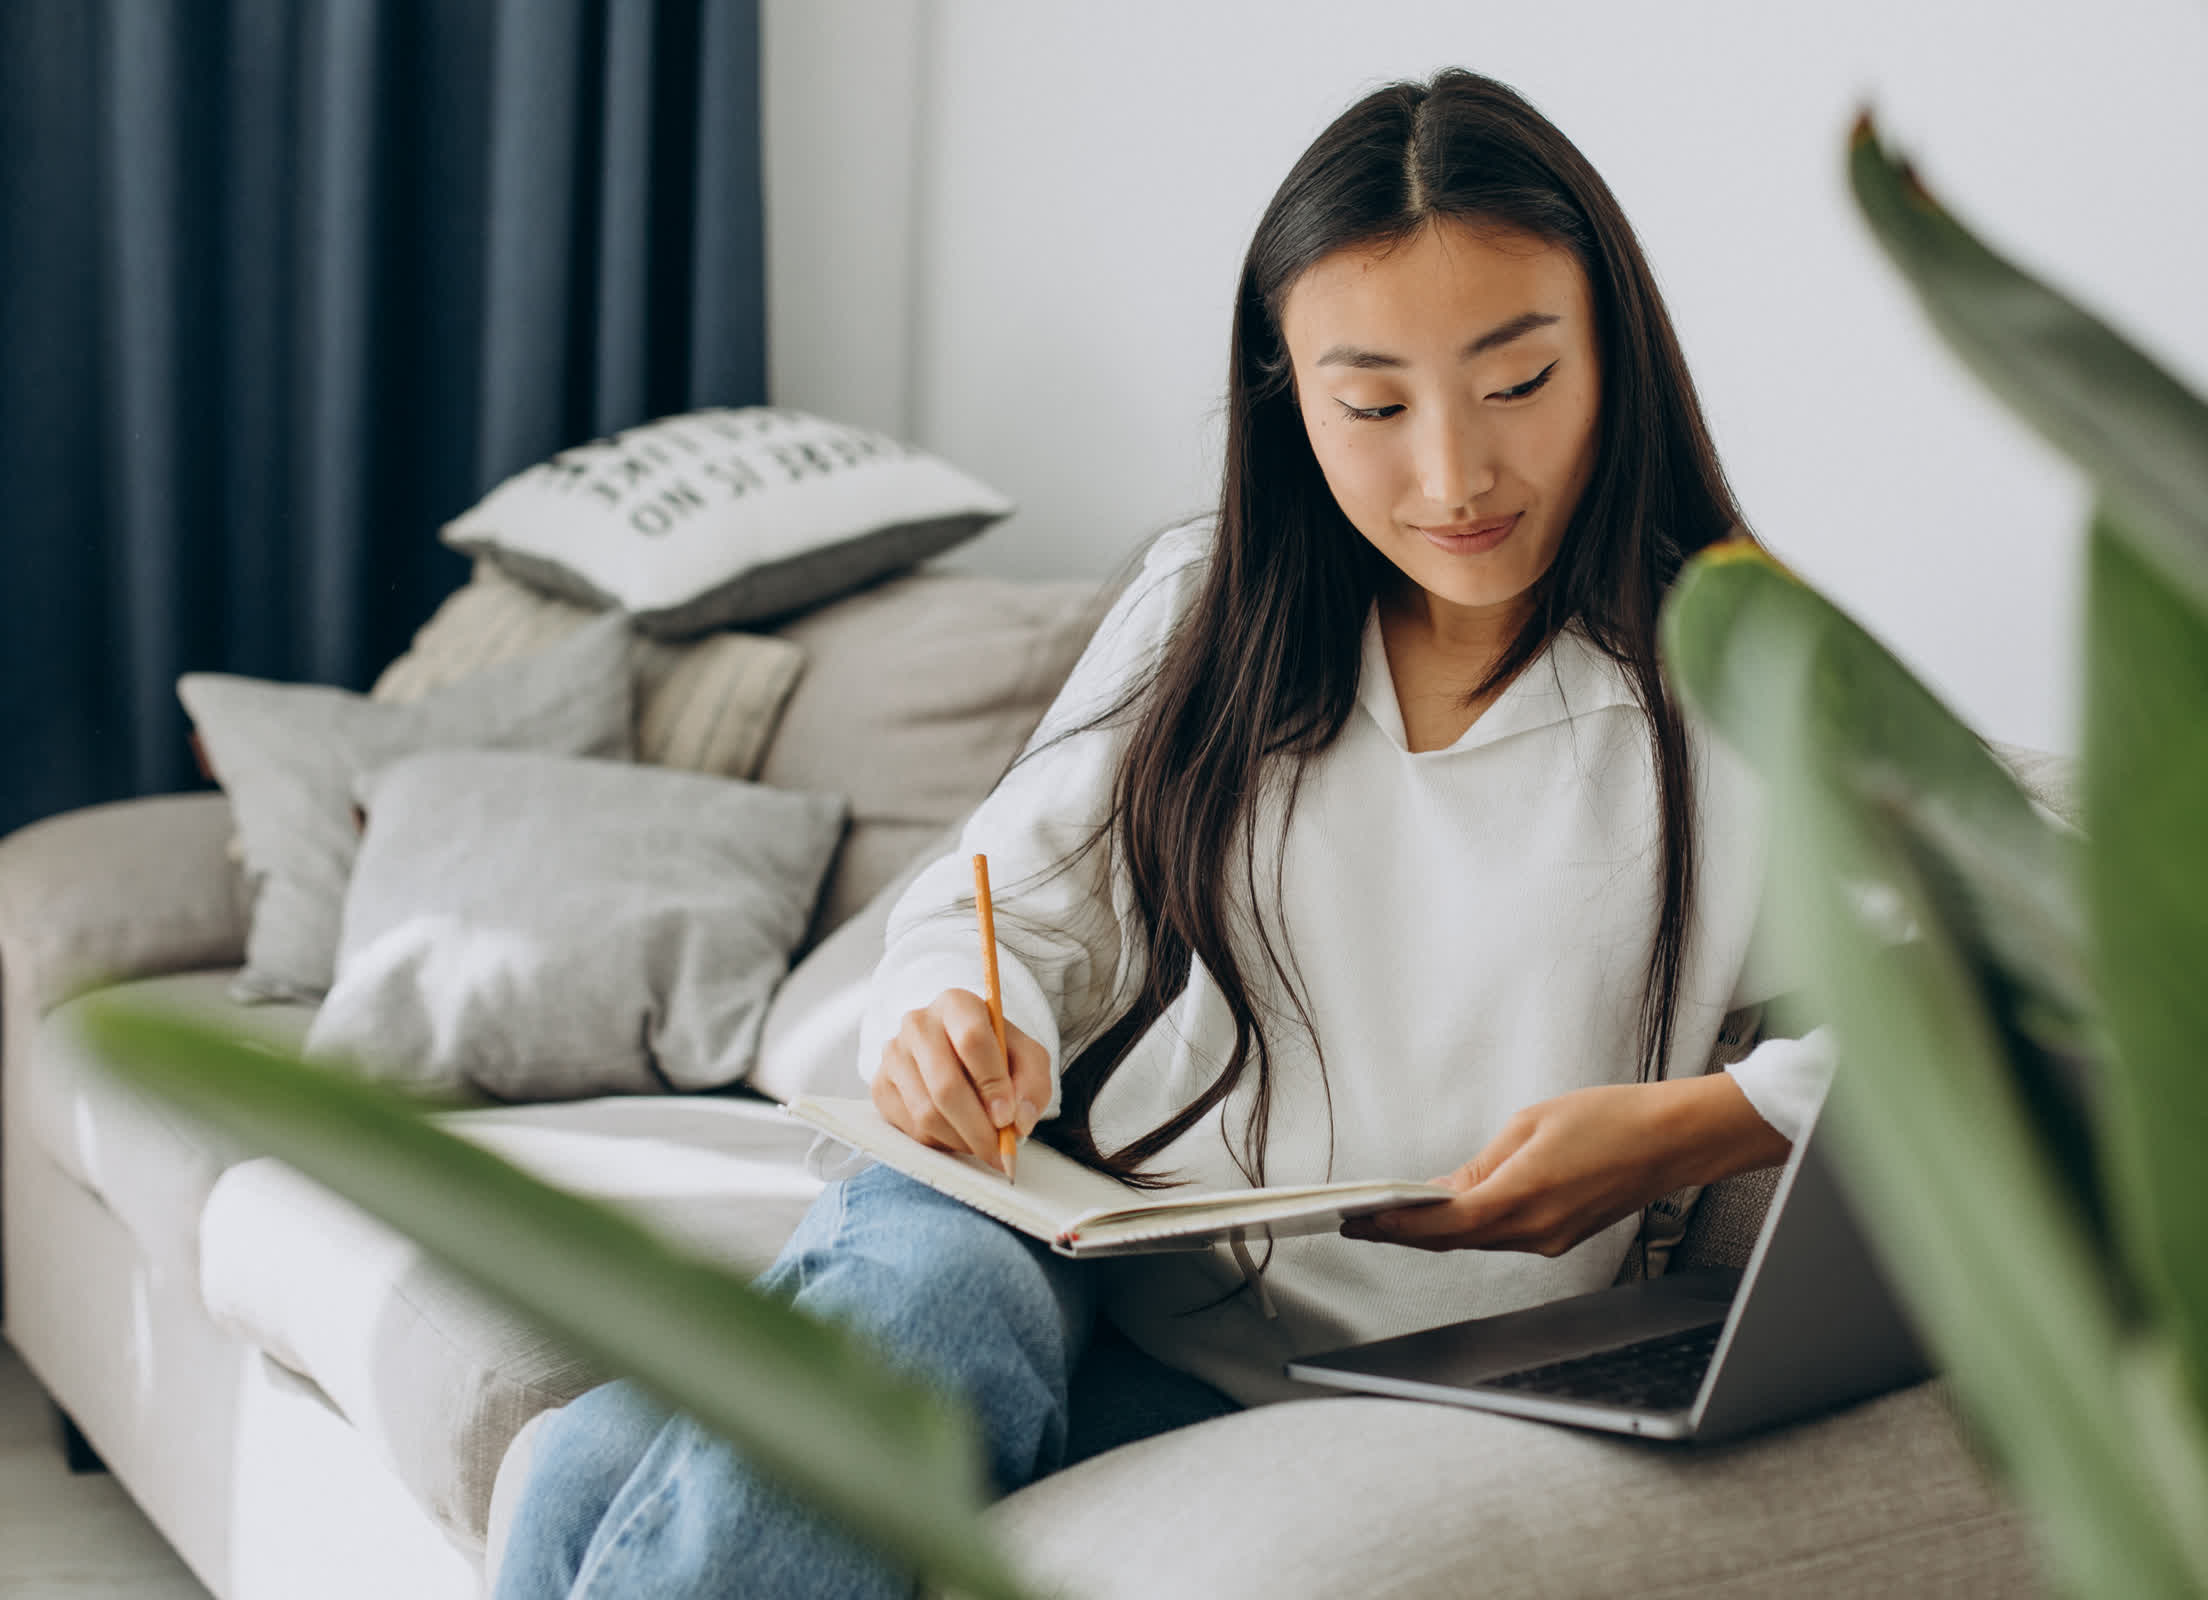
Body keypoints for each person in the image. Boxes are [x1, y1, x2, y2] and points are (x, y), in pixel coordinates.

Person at [493, 64, 1833, 1600]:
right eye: (1373, 407)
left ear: (1613, 355)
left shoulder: (1742, 685)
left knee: (592, 1470)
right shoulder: (1209, 609)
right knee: (927, 1287)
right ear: (1289, 399)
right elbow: (1000, 908)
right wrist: (966, 1018)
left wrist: (1707, 1123)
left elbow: (2003, 1008)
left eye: (1519, 384)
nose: (1453, 474)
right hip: (1061, 1252)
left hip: (1343, 1384)